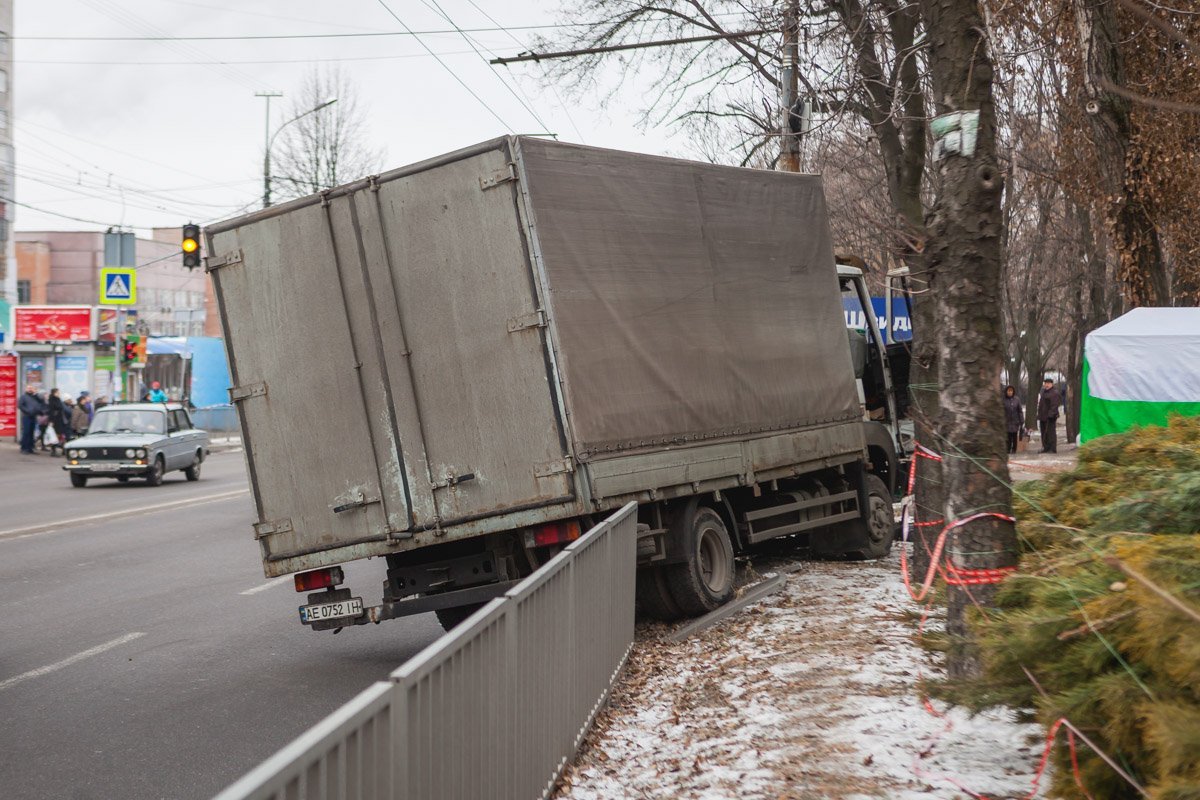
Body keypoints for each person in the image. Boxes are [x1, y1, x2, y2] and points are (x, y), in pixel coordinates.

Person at [1038, 377, 1062, 454]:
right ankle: (1046, 447)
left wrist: (1051, 414)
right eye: (1045, 383)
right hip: (1043, 416)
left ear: (1052, 384)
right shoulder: (1044, 392)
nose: (1047, 385)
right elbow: (1041, 404)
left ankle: (1052, 448)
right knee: (1044, 432)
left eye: (1048, 383)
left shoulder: (1054, 393)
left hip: (1050, 416)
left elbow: (1054, 405)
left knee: (1051, 432)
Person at [18, 385, 45, 455]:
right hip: (27, 416)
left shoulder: (34, 397)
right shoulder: (23, 397)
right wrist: (27, 411)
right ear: (25, 389)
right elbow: (20, 406)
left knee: (31, 433)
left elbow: (41, 401)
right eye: (28, 388)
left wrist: (36, 394)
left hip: (34, 416)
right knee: (26, 432)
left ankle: (30, 448)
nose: (30, 389)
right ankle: (24, 448)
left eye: (31, 388)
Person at [46, 388, 68, 456]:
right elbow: (51, 411)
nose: (59, 393)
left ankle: (62, 450)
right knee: (55, 435)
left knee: (60, 435)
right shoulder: (52, 400)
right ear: (54, 393)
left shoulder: (58, 399)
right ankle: (53, 450)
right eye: (58, 392)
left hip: (59, 420)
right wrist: (51, 421)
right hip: (54, 420)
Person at [1003, 385, 1023, 454]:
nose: (1010, 392)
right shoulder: (1003, 400)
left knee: (1014, 436)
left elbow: (1020, 411)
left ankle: (1014, 449)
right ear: (1006, 391)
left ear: (1013, 392)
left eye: (1011, 391)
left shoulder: (1017, 399)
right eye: (1009, 391)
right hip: (1007, 421)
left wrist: (1021, 420)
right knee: (1008, 436)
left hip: (1015, 421)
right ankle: (1008, 449)